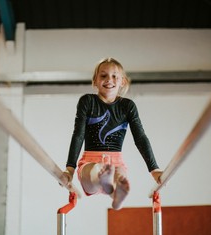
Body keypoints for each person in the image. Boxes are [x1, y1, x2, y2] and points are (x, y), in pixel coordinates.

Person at [63, 57, 162, 210]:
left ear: (122, 81)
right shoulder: (87, 101)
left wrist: (154, 169)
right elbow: (78, 135)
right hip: (91, 160)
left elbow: (140, 138)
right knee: (94, 172)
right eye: (103, 75)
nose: (109, 79)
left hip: (116, 162)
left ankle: (116, 196)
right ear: (94, 81)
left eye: (115, 76)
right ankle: (105, 181)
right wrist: (70, 168)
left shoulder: (127, 106)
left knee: (120, 177)